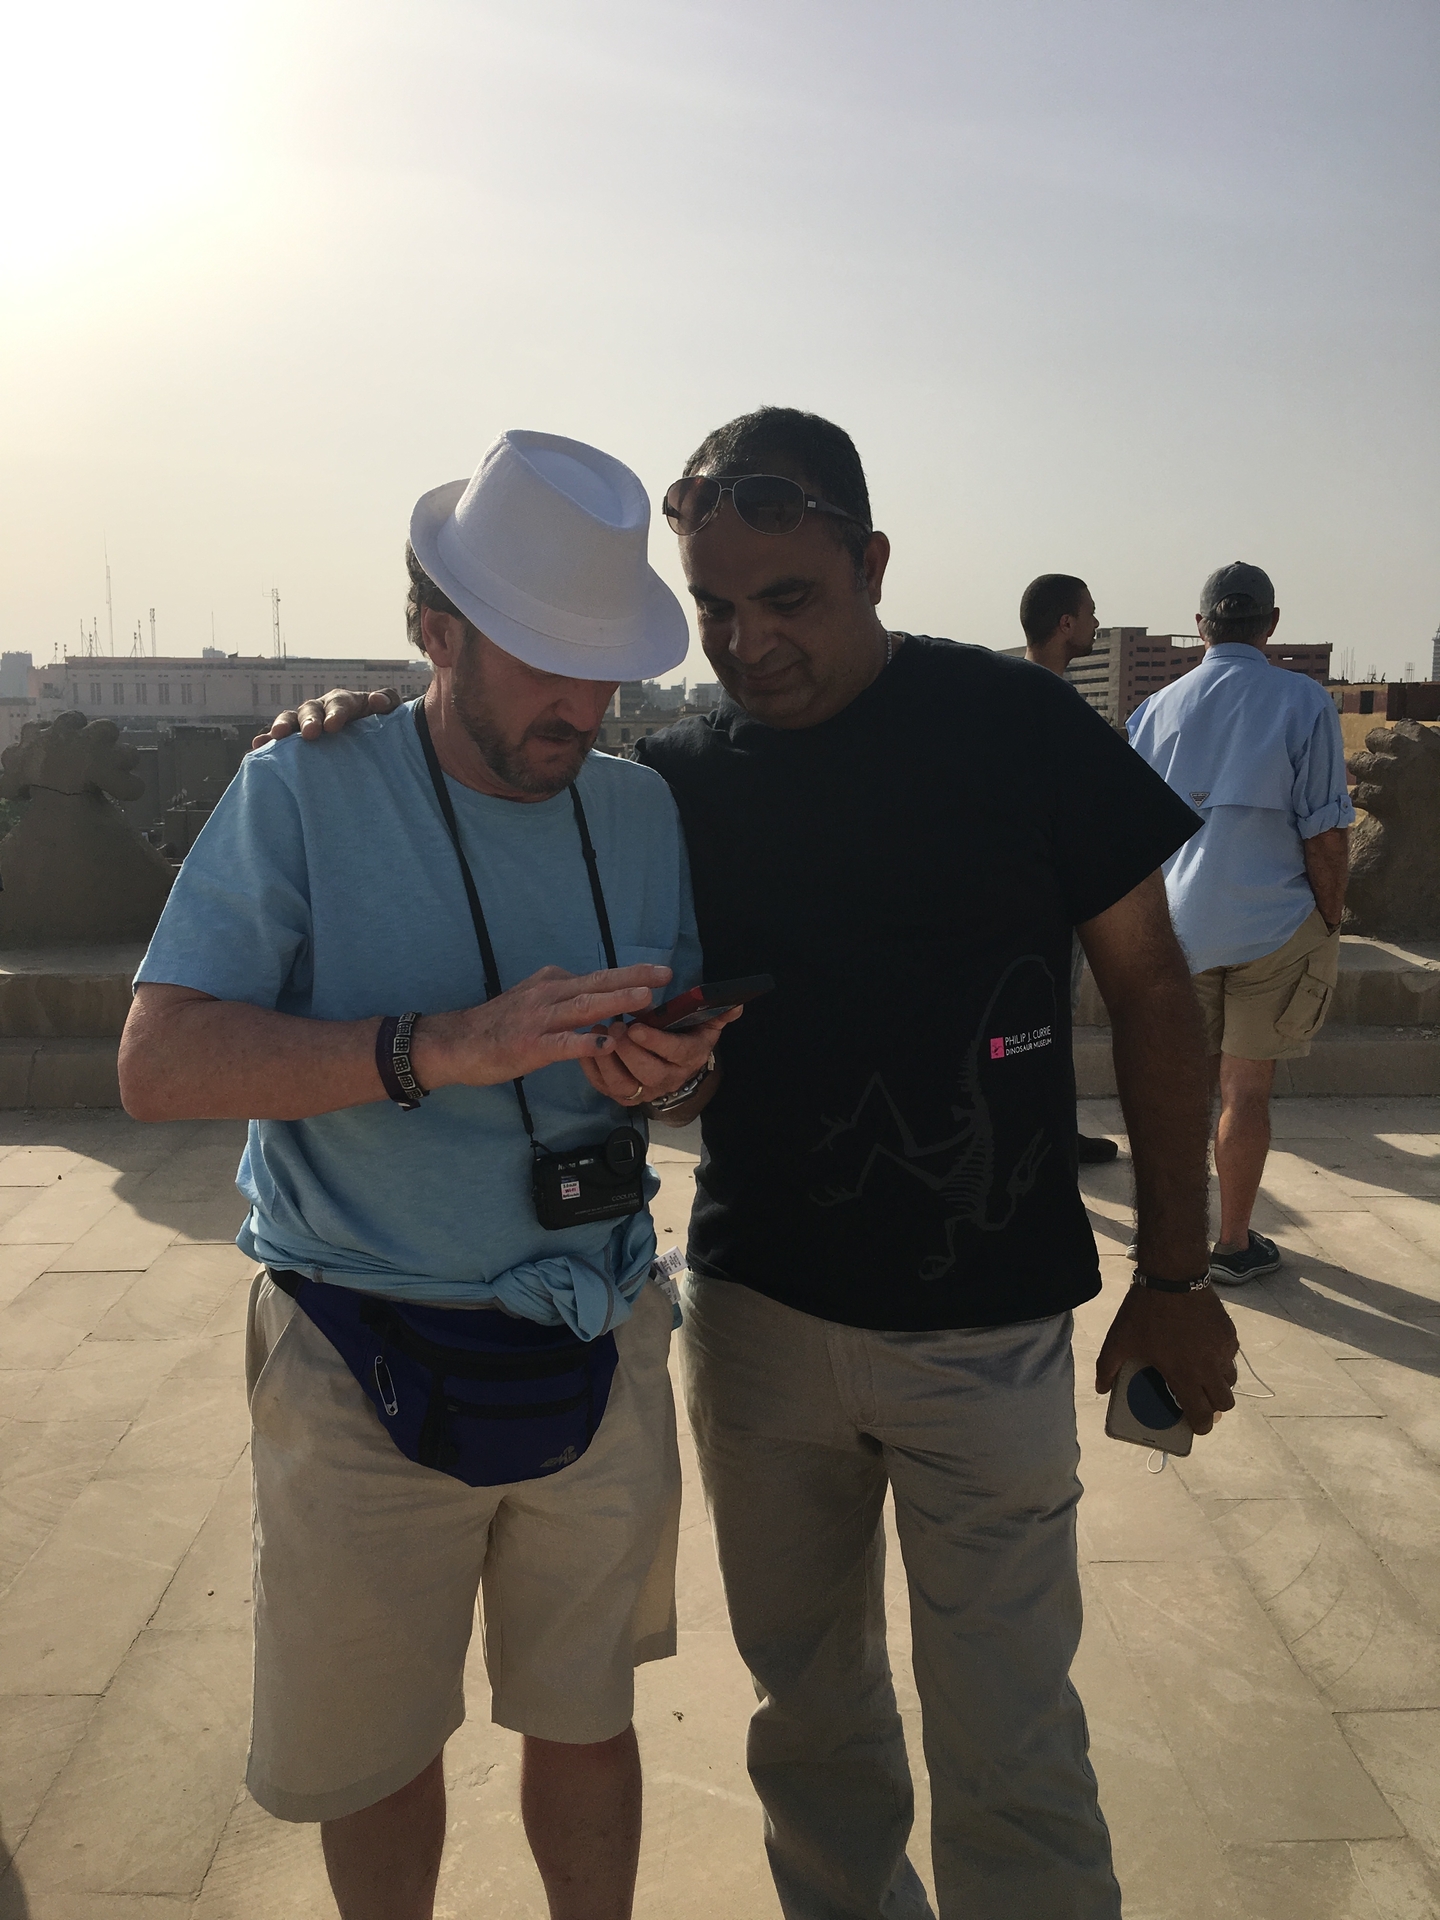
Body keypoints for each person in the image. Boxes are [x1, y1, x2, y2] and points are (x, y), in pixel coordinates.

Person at [275, 408, 1240, 1920]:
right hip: (759, 1325)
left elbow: (1156, 991)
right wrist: (369, 717)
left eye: (789, 598)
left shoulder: (1018, 723)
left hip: (985, 1331)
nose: (748, 642)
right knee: (813, 1728)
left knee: (1013, 1742)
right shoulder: (676, 782)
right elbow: (513, 785)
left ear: (872, 562)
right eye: (715, 609)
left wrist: (1176, 1272)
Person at [118, 430, 742, 1920]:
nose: (582, 704)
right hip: (359, 1346)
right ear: (435, 632)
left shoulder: (638, 808)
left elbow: (690, 1065)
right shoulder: (304, 788)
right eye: (544, 661)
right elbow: (159, 1064)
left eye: (603, 668)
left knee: (587, 1717)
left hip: (600, 1329)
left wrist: (673, 1078)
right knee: (379, 1748)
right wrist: (439, 1049)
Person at [1127, 562, 1354, 1285]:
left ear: (1200, 626)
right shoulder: (1303, 701)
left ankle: (1167, 1238)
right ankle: (1232, 1244)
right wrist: (1330, 917)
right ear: (1272, 624)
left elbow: (1128, 835)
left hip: (1179, 928)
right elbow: (1326, 834)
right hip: (1274, 925)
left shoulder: (1154, 709)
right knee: (1245, 1092)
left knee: (1178, 1094)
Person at [1020, 572, 1119, 1165]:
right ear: (1065, 625)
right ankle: (1050, 1134)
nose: (1096, 624)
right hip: (1048, 896)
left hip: (1029, 892)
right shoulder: (1052, 704)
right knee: (1045, 1020)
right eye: (1089, 614)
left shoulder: (1011, 696)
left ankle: (1051, 1129)